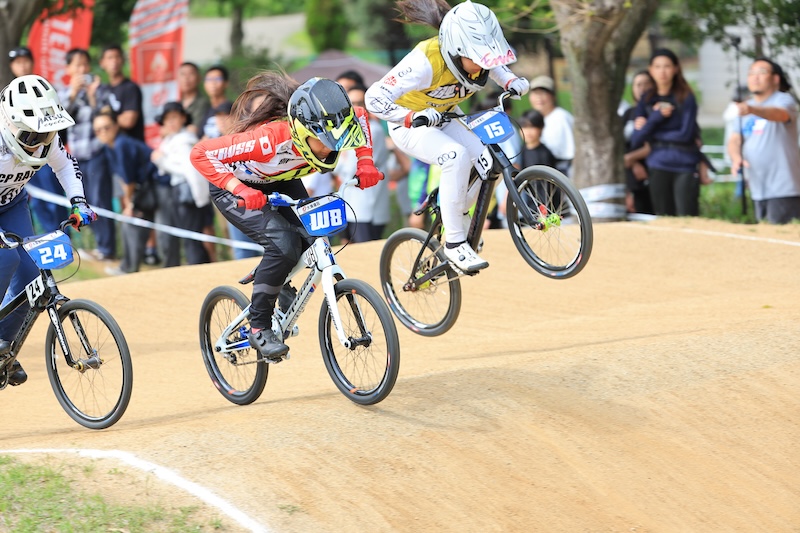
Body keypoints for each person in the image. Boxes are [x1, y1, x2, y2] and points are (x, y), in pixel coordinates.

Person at [190, 73, 384, 360]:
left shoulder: (337, 124)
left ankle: (275, 279)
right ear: (303, 132)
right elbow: (200, 153)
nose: (331, 148)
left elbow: (361, 116)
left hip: (282, 178)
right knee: (283, 245)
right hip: (235, 187)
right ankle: (258, 328)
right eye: (323, 141)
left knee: (312, 238)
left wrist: (365, 162)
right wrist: (238, 188)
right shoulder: (269, 140)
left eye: (335, 140)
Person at [364, 0, 529, 273]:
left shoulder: (479, 60)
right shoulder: (424, 61)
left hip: (447, 116)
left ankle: (456, 215)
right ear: (456, 50)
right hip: (410, 125)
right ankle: (454, 243)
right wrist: (409, 117)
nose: (480, 68)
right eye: (475, 59)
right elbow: (374, 98)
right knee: (456, 156)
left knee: (490, 162)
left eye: (484, 59)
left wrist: (510, 80)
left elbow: (494, 64)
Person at [0, 74, 97, 386]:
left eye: (48, 133)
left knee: (31, 278)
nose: (43, 141)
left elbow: (66, 166)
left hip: (12, 205)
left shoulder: (47, 140)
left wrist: (79, 202)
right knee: (6, 261)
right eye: (34, 135)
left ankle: (3, 350)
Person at [60, 48, 117, 261]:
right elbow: (63, 121)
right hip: (76, 156)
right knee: (85, 201)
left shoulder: (99, 90)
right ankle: (99, 245)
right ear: (68, 69)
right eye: (77, 65)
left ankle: (107, 248)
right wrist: (73, 95)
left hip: (97, 152)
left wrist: (92, 96)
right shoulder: (63, 93)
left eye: (85, 64)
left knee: (101, 199)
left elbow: (105, 117)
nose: (82, 69)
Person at [631, 48, 702, 217]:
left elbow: (686, 135)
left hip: (685, 165)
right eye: (658, 66)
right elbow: (636, 140)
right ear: (651, 69)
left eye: (667, 66)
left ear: (676, 68)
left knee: (687, 217)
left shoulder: (686, 96)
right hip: (658, 164)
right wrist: (655, 118)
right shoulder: (647, 98)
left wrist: (650, 130)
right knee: (664, 217)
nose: (662, 71)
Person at [728, 58, 800, 224]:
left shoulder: (783, 100)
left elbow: (780, 114)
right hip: (758, 187)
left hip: (784, 187)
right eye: (751, 73)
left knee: (782, 238)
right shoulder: (746, 107)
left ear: (775, 79)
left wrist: (752, 109)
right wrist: (736, 157)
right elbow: (735, 139)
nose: (755, 77)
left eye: (761, 72)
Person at [10, 46, 70, 233]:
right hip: (17, 156)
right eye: (18, 62)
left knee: (52, 196)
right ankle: (44, 238)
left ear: (32, 62)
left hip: (44, 149)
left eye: (25, 60)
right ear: (12, 66)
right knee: (35, 200)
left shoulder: (44, 88)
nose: (22, 65)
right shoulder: (8, 92)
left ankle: (61, 235)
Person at [93, 107, 157, 274]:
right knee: (128, 223)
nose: (103, 132)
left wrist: (130, 204)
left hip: (156, 186)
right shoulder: (110, 147)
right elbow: (122, 178)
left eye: (106, 127)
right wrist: (129, 202)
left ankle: (130, 267)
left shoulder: (121, 144)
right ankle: (128, 266)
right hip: (142, 190)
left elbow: (129, 180)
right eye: (98, 130)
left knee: (133, 223)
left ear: (116, 126)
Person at [152, 101, 211, 265]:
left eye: (174, 117)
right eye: (167, 119)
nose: (171, 122)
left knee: (191, 237)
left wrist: (161, 161)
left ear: (183, 118)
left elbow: (188, 170)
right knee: (189, 236)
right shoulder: (173, 140)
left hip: (187, 192)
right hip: (180, 191)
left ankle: (197, 268)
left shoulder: (184, 140)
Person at [334, 84, 392, 243]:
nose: (356, 108)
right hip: (352, 205)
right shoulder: (346, 130)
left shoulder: (372, 129)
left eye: (360, 103)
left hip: (365, 209)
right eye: (352, 103)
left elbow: (350, 167)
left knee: (365, 254)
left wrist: (340, 160)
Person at [620, 70, 655, 215]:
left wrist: (630, 158)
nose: (643, 88)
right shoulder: (628, 113)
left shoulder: (658, 111)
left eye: (647, 83)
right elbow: (620, 145)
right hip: (632, 179)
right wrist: (633, 162)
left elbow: (653, 146)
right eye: (638, 84)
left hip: (654, 174)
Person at [94, 45, 145, 142]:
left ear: (123, 60)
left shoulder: (130, 88)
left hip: (131, 147)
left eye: (117, 57)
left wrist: (106, 115)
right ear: (102, 63)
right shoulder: (104, 90)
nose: (114, 61)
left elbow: (128, 121)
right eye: (110, 58)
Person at [527, 75, 575, 177]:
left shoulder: (561, 117)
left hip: (561, 173)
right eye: (535, 93)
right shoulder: (535, 119)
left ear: (553, 96)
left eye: (543, 93)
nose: (539, 97)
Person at [200, 65, 232, 140]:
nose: (213, 83)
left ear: (226, 83)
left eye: (217, 79)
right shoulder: (205, 109)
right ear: (204, 84)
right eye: (209, 79)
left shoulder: (233, 109)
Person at [178, 62, 210, 137]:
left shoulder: (203, 103)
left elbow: (195, 129)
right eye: (182, 74)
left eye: (191, 74)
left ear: (199, 78)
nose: (186, 78)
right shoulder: (178, 104)